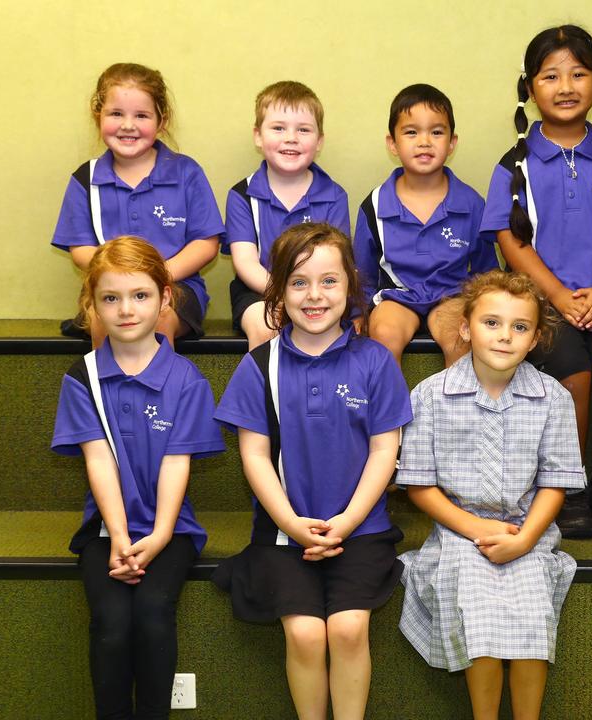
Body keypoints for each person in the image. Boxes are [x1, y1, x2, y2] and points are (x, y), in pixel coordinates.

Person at [212, 223, 411, 720]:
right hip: (283, 532)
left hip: (361, 529)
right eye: (299, 283)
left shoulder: (375, 361)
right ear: (277, 291)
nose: (315, 295)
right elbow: (254, 456)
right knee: (304, 632)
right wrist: (289, 524)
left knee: (346, 629)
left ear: (350, 288)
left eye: (329, 281)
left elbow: (385, 451)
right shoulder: (261, 365)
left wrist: (345, 522)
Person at [480, 25, 592, 539]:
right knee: (571, 377)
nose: (566, 85)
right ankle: (569, 484)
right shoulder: (515, 165)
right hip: (541, 303)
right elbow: (511, 242)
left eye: (579, 73)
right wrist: (555, 295)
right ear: (530, 88)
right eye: (551, 75)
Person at [397, 270, 585, 720]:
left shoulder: (553, 398)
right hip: (460, 533)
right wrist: (475, 528)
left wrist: (524, 539)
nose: (505, 337)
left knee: (530, 614)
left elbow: (554, 483)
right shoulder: (430, 396)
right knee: (478, 613)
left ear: (536, 338)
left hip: (528, 530)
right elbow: (420, 485)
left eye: (519, 327)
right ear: (465, 328)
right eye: (491, 323)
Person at [51, 236, 225, 720]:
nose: (126, 309)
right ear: (92, 305)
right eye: (111, 298)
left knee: (151, 617)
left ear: (166, 298)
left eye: (141, 295)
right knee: (110, 623)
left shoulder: (187, 379)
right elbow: (98, 460)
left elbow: (176, 462)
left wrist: (161, 534)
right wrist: (121, 538)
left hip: (172, 531)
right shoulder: (82, 376)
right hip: (107, 531)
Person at [52, 63, 223, 346]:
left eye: (141, 115)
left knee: (157, 317)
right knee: (101, 318)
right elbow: (80, 249)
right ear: (99, 116)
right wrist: (122, 280)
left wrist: (154, 279)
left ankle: (159, 391)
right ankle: (106, 390)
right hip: (111, 290)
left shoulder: (186, 173)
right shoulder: (86, 179)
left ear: (161, 121)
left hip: (175, 287)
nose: (128, 125)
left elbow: (206, 243)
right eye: (116, 113)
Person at [353, 83, 498, 366]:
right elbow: (362, 273)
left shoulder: (471, 204)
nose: (424, 141)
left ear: (452, 142)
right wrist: (357, 313)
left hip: (452, 297)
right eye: (411, 132)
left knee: (463, 335)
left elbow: (486, 272)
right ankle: (392, 411)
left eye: (436, 132)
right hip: (397, 298)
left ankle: (453, 410)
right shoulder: (374, 205)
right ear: (392, 144)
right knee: (383, 332)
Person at [225, 81, 350, 348]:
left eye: (303, 130)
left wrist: (307, 293)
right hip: (259, 292)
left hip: (320, 292)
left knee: (331, 327)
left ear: (319, 141)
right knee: (266, 323)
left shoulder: (335, 195)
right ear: (258, 136)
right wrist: (287, 294)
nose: (290, 138)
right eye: (278, 128)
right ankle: (266, 390)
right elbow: (245, 263)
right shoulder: (242, 195)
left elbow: (339, 262)